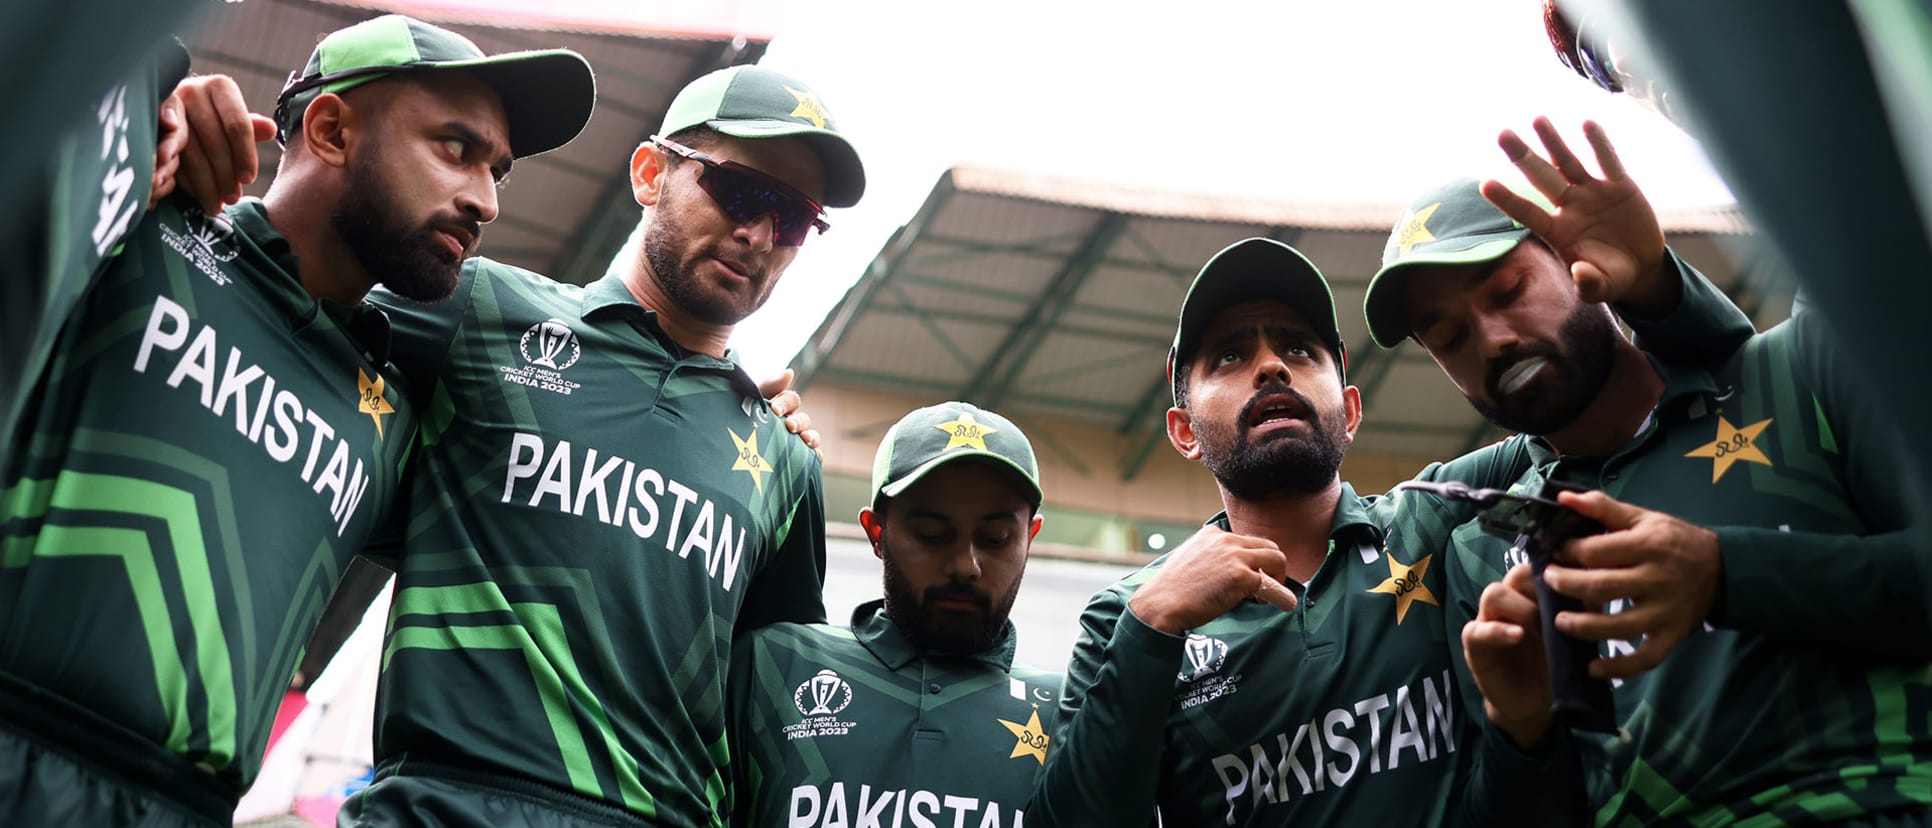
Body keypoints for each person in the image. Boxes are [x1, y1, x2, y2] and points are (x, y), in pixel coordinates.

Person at [0, 14, 595, 827]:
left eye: (499, 170)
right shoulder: (151, 218)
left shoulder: (397, 421)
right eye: (456, 148)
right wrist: (147, 103)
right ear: (330, 127)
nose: (485, 200)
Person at [337, 63, 867, 827]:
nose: (759, 235)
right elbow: (288, 297)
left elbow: (768, 713)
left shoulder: (784, 461)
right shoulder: (478, 309)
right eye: (741, 192)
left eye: (793, 216)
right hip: (441, 803)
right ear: (651, 173)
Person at [1367, 121, 1932, 825]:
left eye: (1508, 289)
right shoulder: (1480, 549)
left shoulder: (1800, 370)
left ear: (1574, 259)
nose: (1493, 339)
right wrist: (1524, 734)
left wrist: (1725, 575)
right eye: (1448, 337)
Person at [728, 401, 1057, 828]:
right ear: (876, 533)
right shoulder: (772, 664)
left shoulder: (1068, 712)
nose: (965, 565)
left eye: (996, 538)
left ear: (1030, 538)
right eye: (932, 535)